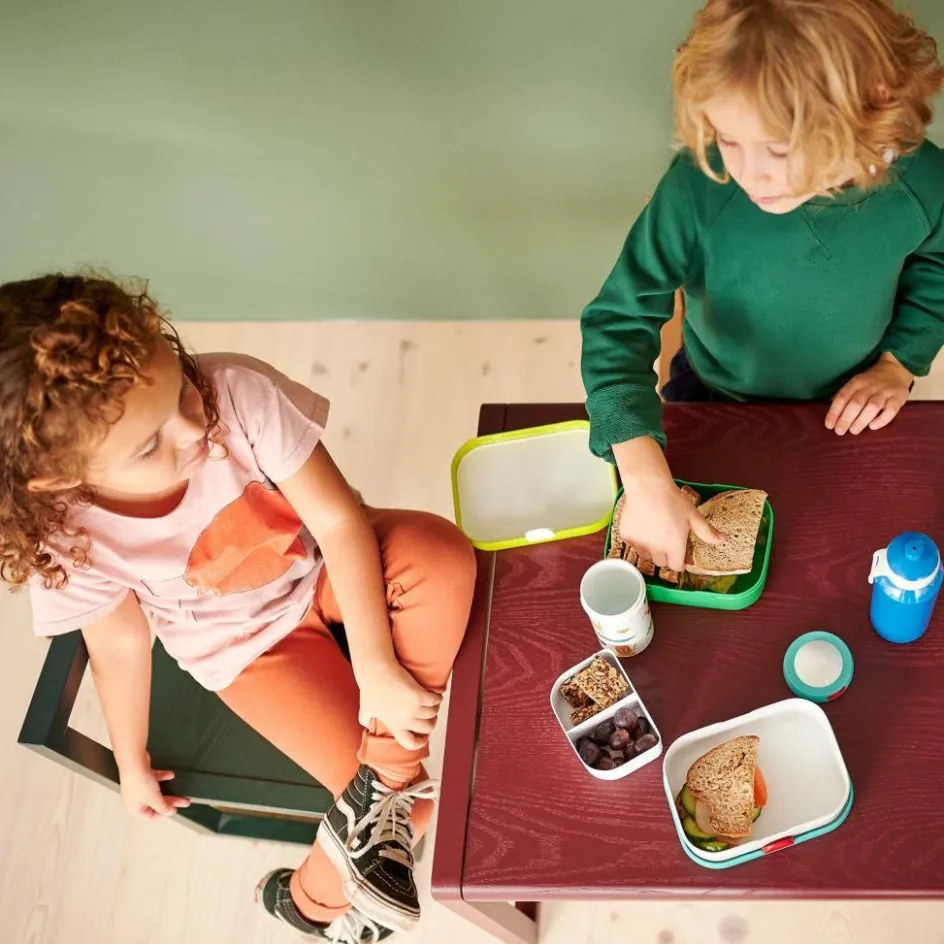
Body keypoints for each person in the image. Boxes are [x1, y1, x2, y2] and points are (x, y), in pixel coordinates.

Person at [1, 274, 475, 943]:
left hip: (326, 569)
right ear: (61, 479)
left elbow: (339, 523)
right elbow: (119, 647)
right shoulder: (69, 538)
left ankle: (382, 785)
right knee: (410, 814)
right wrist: (131, 760)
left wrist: (375, 668)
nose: (194, 426)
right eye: (149, 445)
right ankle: (308, 905)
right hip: (247, 652)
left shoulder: (236, 394)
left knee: (441, 556)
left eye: (181, 389)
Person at [581, 0, 944, 573]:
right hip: (713, 388)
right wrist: (643, 474)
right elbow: (618, 319)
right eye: (728, 138)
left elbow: (939, 268)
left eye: (779, 149)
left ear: (871, 107)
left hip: (857, 396)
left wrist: (901, 362)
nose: (748, 174)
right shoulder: (697, 184)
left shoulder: (923, 183)